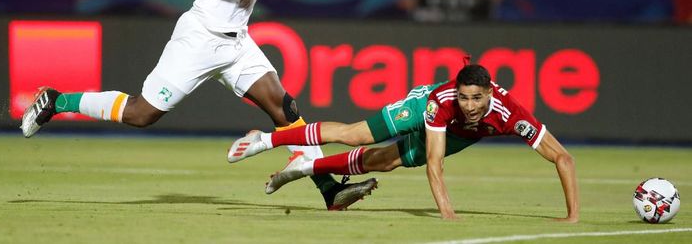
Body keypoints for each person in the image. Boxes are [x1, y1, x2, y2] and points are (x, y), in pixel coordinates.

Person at [20, 0, 377, 211]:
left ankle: (330, 189)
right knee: (142, 114)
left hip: (236, 44)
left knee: (285, 108)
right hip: (201, 38)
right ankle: (57, 99)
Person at [228, 64, 579, 221]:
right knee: (355, 135)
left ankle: (305, 166)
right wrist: (447, 213)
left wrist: (572, 217)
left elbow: (563, 158)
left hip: (458, 135)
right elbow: (435, 164)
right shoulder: (444, 103)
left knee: (385, 161)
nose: (469, 106)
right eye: (464, 98)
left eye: (476, 99)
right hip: (421, 107)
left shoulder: (511, 114)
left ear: (489, 93)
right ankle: (267, 139)